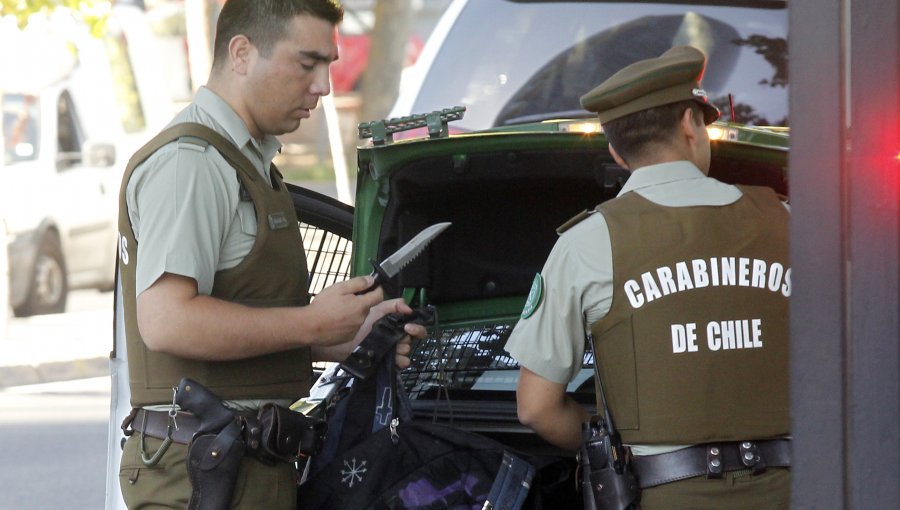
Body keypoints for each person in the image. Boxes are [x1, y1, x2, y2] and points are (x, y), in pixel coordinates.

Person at [114, 1, 426, 508]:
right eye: (307, 63)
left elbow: (239, 330)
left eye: (327, 64)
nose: (323, 85)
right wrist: (311, 325)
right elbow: (168, 321)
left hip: (237, 467)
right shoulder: (190, 165)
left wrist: (349, 339)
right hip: (198, 476)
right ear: (241, 53)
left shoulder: (246, 162)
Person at [505, 45, 791, 509]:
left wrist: (606, 451)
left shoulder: (587, 242)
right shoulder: (787, 221)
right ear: (689, 124)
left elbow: (536, 408)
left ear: (616, 151)